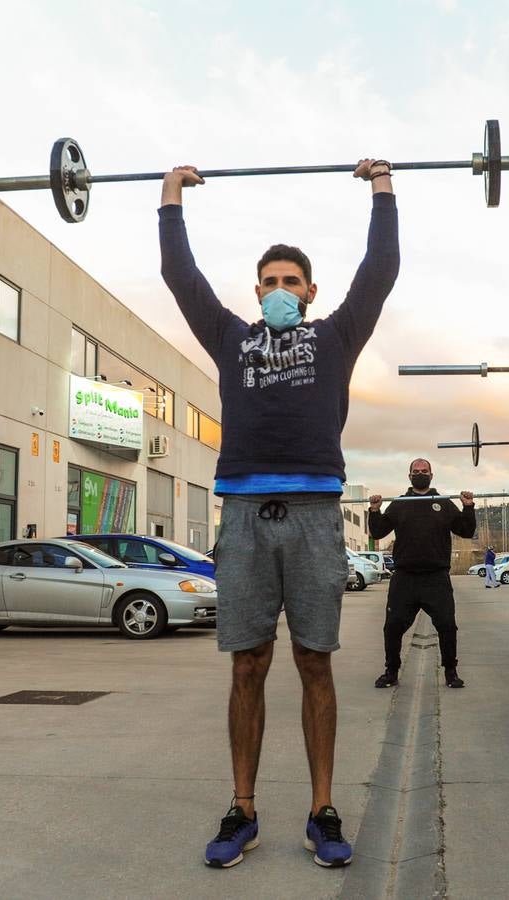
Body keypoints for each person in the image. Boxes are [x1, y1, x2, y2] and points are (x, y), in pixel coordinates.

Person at [159, 155, 399, 869]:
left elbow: (379, 270)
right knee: (247, 664)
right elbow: (181, 278)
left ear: (310, 290)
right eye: (268, 283)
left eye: (290, 282)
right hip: (242, 510)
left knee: (314, 661)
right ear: (255, 292)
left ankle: (322, 809)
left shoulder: (334, 336)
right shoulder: (232, 338)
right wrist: (170, 197)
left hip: (315, 512)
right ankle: (243, 809)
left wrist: (382, 188)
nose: (278, 291)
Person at [368, 459, 476, 690]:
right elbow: (377, 531)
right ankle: (391, 671)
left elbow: (467, 531)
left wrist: (468, 507)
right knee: (393, 626)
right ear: (409, 476)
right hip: (405, 577)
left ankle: (450, 672)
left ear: (431, 475)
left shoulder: (443, 504)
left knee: (447, 625)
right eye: (416, 472)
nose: (420, 474)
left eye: (423, 471)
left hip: (436, 578)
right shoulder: (398, 505)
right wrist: (374, 511)